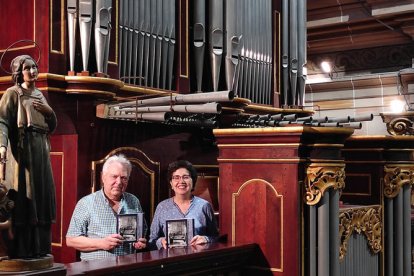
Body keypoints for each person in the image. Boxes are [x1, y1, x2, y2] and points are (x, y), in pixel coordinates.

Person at [0, 55, 57, 258]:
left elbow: (51, 126)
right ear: (19, 72)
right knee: (27, 196)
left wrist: (49, 112)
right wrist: (2, 146)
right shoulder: (12, 93)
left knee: (42, 196)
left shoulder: (40, 94)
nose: (33, 71)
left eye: (35, 67)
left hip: (41, 149)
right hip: (23, 153)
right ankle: (23, 250)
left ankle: (41, 248)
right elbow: (2, 121)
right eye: (28, 68)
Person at [66, 154, 147, 260]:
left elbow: (142, 231)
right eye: (114, 176)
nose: (118, 182)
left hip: (128, 268)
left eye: (123, 178)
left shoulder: (133, 201)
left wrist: (139, 241)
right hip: (96, 270)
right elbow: (71, 240)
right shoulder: (86, 203)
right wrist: (101, 243)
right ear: (103, 177)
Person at [149, 160, 218, 250]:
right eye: (176, 177)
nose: (181, 181)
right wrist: (161, 241)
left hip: (198, 259)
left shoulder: (204, 206)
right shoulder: (162, 207)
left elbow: (216, 238)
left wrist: (206, 239)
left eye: (185, 177)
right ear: (171, 183)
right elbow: (152, 240)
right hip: (169, 261)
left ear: (193, 181)